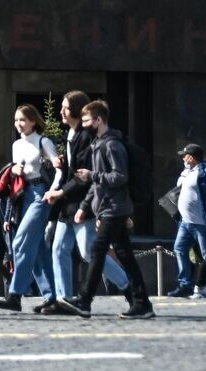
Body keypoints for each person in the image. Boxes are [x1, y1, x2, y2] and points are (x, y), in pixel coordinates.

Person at [56, 100, 153, 319]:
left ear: (99, 120)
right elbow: (97, 183)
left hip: (114, 208)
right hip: (108, 207)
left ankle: (84, 300)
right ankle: (141, 303)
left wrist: (92, 175)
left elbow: (120, 176)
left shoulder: (111, 145)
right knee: (125, 256)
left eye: (87, 120)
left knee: (97, 251)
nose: (84, 124)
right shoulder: (98, 144)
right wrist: (84, 206)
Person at [43, 91, 128, 314]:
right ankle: (63, 298)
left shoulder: (85, 136)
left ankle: (127, 285)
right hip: (67, 204)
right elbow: (73, 170)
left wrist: (60, 192)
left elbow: (84, 175)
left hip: (81, 203)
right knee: (58, 249)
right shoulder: (70, 135)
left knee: (89, 252)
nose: (61, 111)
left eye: (65, 107)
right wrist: (63, 167)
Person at [0, 105, 57, 312]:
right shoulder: (17, 145)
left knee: (20, 242)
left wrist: (53, 191)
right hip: (23, 195)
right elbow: (15, 173)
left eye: (22, 120)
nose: (18, 124)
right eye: (16, 120)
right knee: (38, 248)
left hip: (40, 194)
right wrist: (13, 169)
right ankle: (51, 297)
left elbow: (59, 169)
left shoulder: (43, 142)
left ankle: (15, 295)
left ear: (33, 121)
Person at [167, 143, 206, 299]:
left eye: (185, 156)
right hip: (185, 222)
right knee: (179, 248)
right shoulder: (188, 172)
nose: (183, 158)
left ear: (191, 157)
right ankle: (184, 285)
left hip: (201, 223)